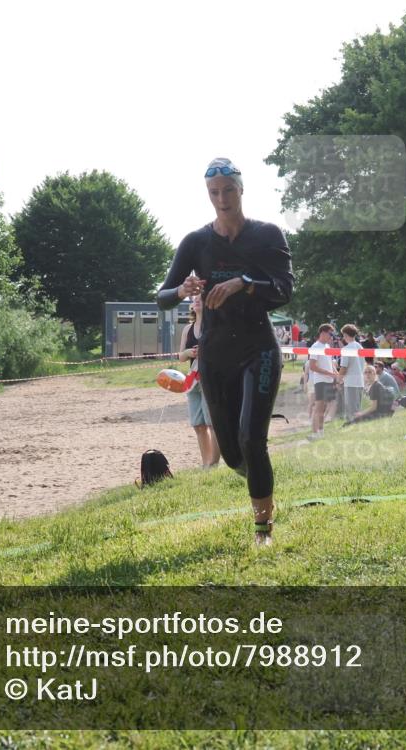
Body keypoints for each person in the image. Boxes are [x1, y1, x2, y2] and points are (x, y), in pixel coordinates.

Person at [157, 157, 293, 546]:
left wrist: (244, 283)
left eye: (228, 190)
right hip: (214, 356)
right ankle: (258, 480)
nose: (222, 199)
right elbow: (162, 298)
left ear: (241, 190)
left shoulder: (268, 235)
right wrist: (182, 291)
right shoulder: (195, 242)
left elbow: (283, 290)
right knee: (234, 456)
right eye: (214, 193)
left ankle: (262, 530)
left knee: (253, 438)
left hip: (258, 349)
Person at [178, 297, 221, 467]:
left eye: (200, 299)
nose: (196, 301)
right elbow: (180, 356)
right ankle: (205, 464)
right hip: (192, 381)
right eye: (194, 299)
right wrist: (188, 352)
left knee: (211, 423)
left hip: (210, 380)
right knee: (198, 425)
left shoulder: (214, 327)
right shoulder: (187, 329)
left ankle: (214, 463)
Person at [308, 324, 339, 439]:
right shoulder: (315, 346)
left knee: (324, 408)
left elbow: (331, 363)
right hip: (321, 381)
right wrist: (330, 373)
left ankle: (320, 432)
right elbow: (312, 366)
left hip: (329, 380)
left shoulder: (327, 346)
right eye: (330, 334)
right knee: (319, 408)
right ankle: (314, 433)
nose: (331, 337)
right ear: (323, 333)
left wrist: (336, 374)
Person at [338, 324, 365, 421]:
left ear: (345, 334)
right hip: (360, 381)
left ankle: (352, 426)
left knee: (351, 410)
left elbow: (344, 367)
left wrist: (338, 379)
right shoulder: (360, 346)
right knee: (357, 408)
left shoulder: (346, 349)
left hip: (351, 382)